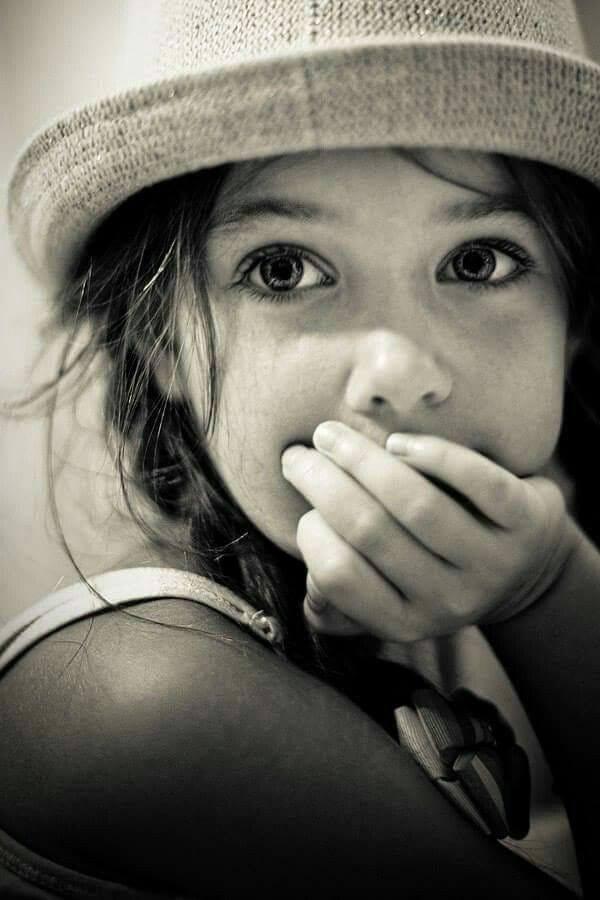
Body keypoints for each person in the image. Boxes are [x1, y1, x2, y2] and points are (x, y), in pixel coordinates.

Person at [1, 0, 600, 896]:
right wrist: (546, 590)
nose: (397, 369)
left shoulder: (496, 563)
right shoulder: (146, 691)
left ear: (575, 325)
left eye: (478, 261)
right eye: (284, 268)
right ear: (161, 344)